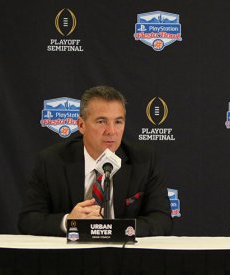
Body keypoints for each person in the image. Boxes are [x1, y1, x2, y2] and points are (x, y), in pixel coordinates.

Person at [18, 86, 172, 237]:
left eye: (118, 122)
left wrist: (117, 230)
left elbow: (162, 219)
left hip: (124, 256)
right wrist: (69, 222)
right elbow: (28, 220)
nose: (111, 131)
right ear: (81, 125)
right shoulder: (51, 161)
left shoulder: (143, 160)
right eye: (101, 122)